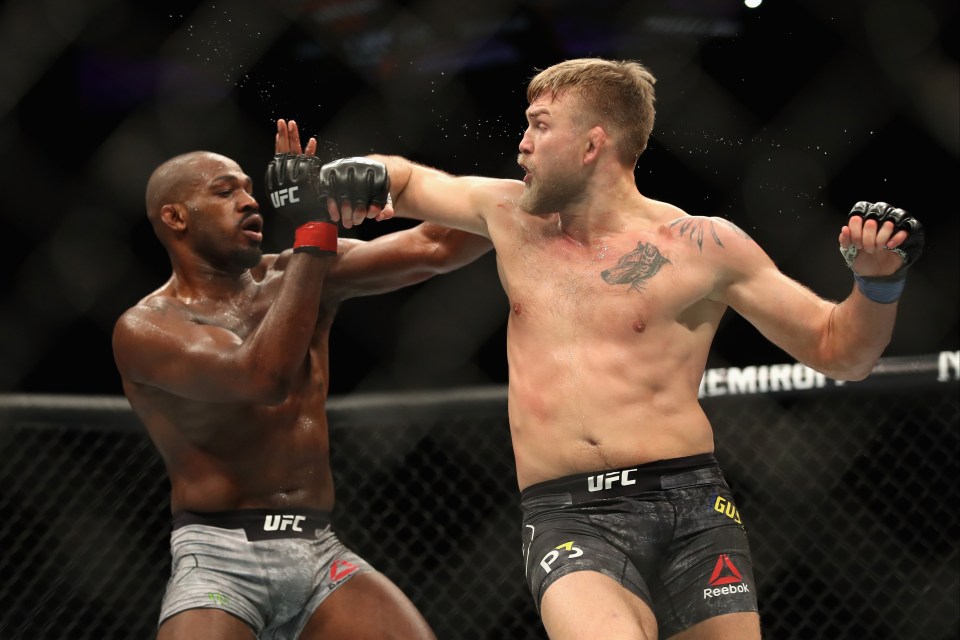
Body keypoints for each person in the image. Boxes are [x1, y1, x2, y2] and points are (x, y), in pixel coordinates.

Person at [319, 58, 925, 639]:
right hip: (569, 516)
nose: (522, 144)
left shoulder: (703, 245)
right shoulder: (508, 214)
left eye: (539, 126)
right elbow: (410, 179)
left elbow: (842, 352)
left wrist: (876, 285)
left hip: (693, 506)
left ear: (592, 145)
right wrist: (356, 170)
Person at [111, 119, 491, 640]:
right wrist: (314, 234)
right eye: (225, 192)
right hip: (221, 557)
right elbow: (260, 377)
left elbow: (439, 247)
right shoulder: (146, 327)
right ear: (175, 217)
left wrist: (400, 186)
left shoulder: (295, 272)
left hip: (318, 551)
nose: (249, 201)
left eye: (250, 188)